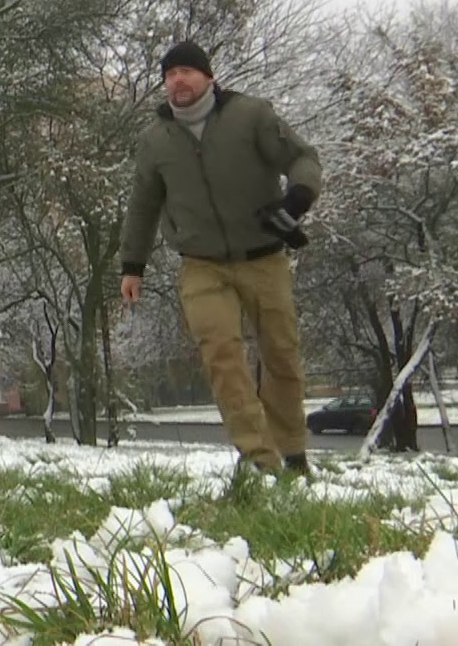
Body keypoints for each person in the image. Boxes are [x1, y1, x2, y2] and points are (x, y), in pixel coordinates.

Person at [118, 41, 323, 477]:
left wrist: (299, 196)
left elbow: (303, 157)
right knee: (222, 355)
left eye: (188, 71)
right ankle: (257, 459)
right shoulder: (155, 139)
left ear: (208, 77)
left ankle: (294, 454)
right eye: (170, 74)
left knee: (281, 355)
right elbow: (143, 204)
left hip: (263, 257)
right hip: (201, 265)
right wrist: (132, 265)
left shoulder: (251, 116)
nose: (179, 80)